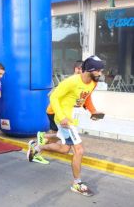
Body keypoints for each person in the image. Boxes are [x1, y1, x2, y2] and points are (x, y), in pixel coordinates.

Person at [27, 55, 105, 196]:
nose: (101, 73)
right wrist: (62, 117)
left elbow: (86, 98)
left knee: (64, 149)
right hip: (63, 117)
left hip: (70, 118)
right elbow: (54, 97)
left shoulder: (93, 83)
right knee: (79, 150)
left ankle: (37, 147)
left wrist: (93, 111)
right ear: (90, 70)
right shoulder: (71, 81)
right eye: (98, 70)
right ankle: (77, 183)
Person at [35, 60, 84, 164]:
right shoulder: (69, 81)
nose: (81, 71)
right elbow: (51, 95)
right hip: (55, 112)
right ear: (75, 69)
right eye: (79, 69)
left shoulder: (78, 82)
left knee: (60, 136)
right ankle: (37, 150)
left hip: (61, 114)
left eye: (83, 70)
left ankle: (40, 142)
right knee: (60, 139)